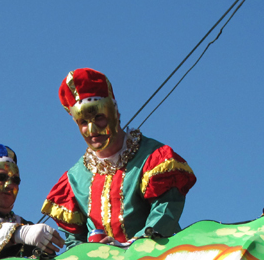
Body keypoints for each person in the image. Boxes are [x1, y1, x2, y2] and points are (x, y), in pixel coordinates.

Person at [42, 68, 196, 248]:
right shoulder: (74, 179)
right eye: (83, 122)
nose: (92, 130)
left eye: (98, 117)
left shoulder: (153, 158)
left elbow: (165, 211)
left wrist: (131, 246)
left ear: (115, 113)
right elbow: (74, 240)